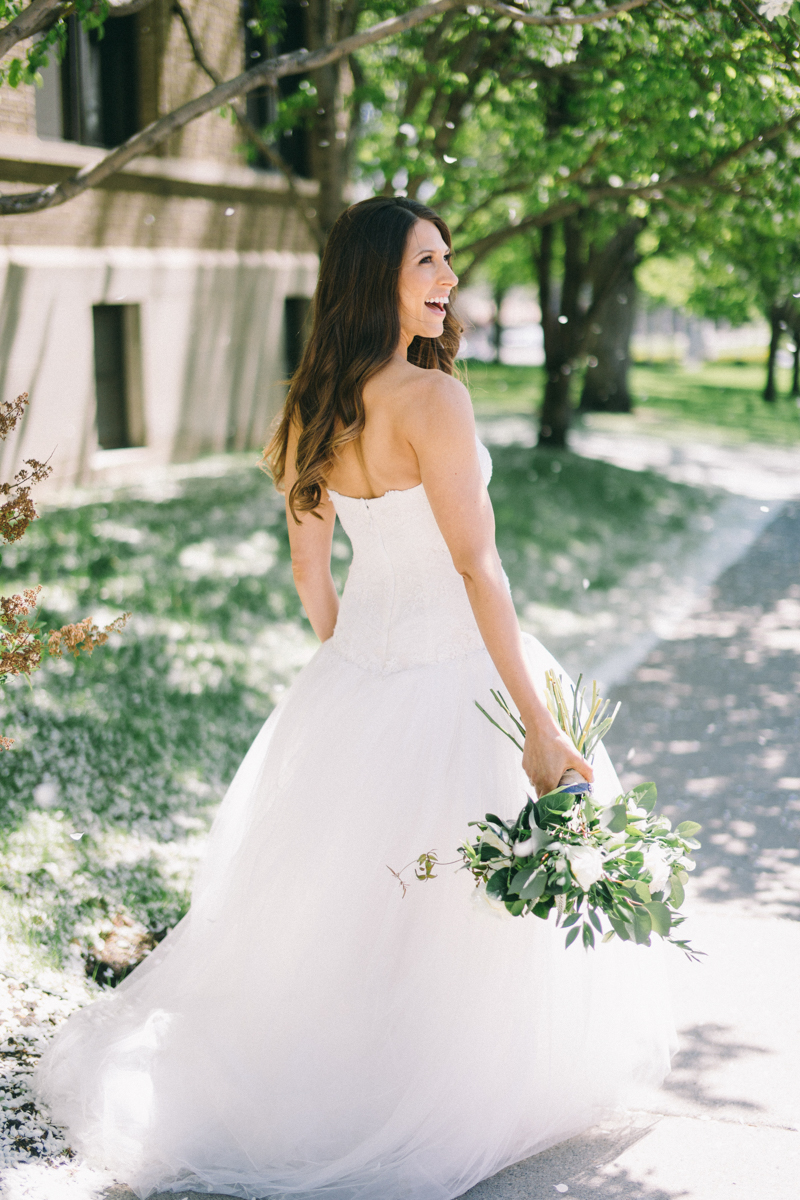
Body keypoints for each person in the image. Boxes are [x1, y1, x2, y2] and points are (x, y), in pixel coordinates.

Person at [34, 197, 674, 1200]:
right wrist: (537, 728)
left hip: (355, 678)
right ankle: (436, 1083)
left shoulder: (311, 404)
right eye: (425, 261)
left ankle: (341, 1067)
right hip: (463, 676)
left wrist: (354, 667)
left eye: (448, 261)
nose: (446, 278)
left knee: (363, 898)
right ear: (375, 275)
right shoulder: (433, 399)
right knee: (449, 898)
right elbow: (477, 569)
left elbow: (308, 573)